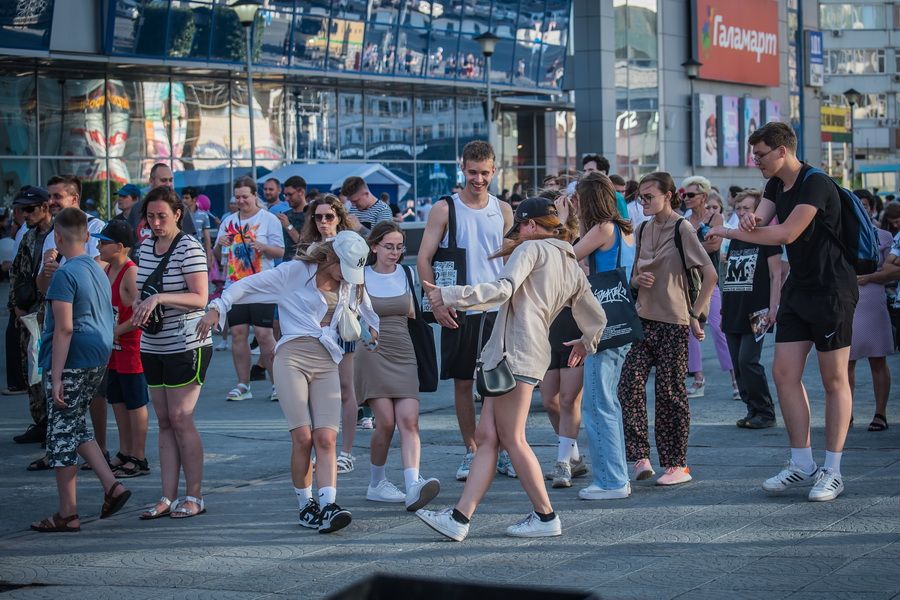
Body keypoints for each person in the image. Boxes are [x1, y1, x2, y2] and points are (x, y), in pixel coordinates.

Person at [415, 197, 606, 541]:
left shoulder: (531, 250)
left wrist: (449, 293)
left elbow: (502, 290)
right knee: (488, 437)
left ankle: (546, 516)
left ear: (531, 225)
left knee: (513, 439)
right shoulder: (569, 260)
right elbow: (595, 312)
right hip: (528, 352)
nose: (517, 233)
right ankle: (459, 518)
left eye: (519, 226)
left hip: (514, 351)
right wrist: (586, 340)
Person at [707, 122, 858, 502]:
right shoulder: (776, 185)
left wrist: (729, 231)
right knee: (784, 372)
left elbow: (786, 233)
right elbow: (762, 220)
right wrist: (749, 220)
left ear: (782, 151)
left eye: (759, 155)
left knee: (833, 379)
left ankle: (833, 470)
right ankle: (802, 462)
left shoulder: (815, 183)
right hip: (799, 289)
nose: (755, 162)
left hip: (832, 290)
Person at [197, 233, 375, 533]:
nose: (349, 276)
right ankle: (306, 505)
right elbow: (246, 285)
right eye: (344, 267)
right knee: (303, 437)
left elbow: (367, 308)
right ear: (329, 257)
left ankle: (329, 504)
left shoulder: (351, 281)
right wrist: (218, 306)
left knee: (327, 438)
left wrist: (374, 330)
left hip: (327, 359)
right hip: (291, 356)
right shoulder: (295, 273)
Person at [417, 140, 513, 482]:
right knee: (462, 382)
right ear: (463, 169)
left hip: (496, 306)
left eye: (485, 173)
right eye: (473, 173)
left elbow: (512, 260)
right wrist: (436, 302)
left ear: (494, 171)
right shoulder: (446, 209)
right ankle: (472, 450)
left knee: (498, 383)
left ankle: (499, 450)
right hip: (459, 306)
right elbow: (424, 259)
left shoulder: (502, 210)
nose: (478, 179)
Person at [30, 207, 131, 532]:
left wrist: (56, 376)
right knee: (75, 424)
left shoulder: (66, 273)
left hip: (72, 359)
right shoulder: (95, 268)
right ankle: (112, 486)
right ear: (87, 236)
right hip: (97, 356)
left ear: (57, 238)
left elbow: (64, 328)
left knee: (60, 433)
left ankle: (67, 513)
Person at [618, 172, 718, 486]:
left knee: (670, 393)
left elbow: (710, 275)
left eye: (649, 196)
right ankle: (639, 456)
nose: (643, 202)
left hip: (673, 322)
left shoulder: (682, 228)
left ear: (668, 195)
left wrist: (694, 314)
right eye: (640, 197)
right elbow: (634, 275)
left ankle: (677, 464)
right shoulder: (643, 227)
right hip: (643, 318)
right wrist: (638, 281)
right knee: (628, 384)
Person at [132, 186, 212, 520]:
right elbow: (140, 294)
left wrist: (160, 298)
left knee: (181, 418)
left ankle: (194, 495)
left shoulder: (189, 247)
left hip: (187, 343)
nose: (155, 222)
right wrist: (142, 303)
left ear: (178, 214)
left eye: (162, 215)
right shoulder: (145, 247)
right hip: (153, 343)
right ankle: (167, 495)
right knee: (164, 421)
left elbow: (201, 297)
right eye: (150, 216)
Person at [357, 222, 441, 510]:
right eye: (389, 246)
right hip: (372, 350)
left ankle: (412, 485)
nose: (395, 252)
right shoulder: (361, 276)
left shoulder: (407, 273)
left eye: (399, 247)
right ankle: (376, 482)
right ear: (374, 247)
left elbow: (414, 313)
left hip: (404, 348)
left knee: (409, 420)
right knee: (386, 422)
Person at [569, 172, 635, 500]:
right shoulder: (624, 230)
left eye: (578, 200)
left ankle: (612, 480)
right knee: (605, 400)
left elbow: (567, 257)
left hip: (602, 322)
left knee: (597, 402)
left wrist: (569, 223)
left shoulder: (601, 229)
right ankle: (615, 475)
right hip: (622, 318)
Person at [299, 194, 366, 472]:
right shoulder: (308, 249)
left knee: (345, 389)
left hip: (341, 324)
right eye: (318, 217)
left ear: (339, 217)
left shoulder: (349, 244)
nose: (324, 221)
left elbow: (361, 286)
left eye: (329, 216)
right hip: (314, 329)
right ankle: (322, 450)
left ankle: (346, 452)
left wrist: (368, 319)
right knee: (317, 392)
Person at [214, 176, 284, 402]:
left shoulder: (268, 219)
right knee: (238, 334)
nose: (242, 201)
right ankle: (243, 384)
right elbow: (217, 257)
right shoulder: (228, 221)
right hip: (235, 286)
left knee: (265, 335)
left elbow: (280, 252)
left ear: (255, 195)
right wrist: (219, 244)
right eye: (238, 197)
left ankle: (278, 385)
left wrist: (264, 247)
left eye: (246, 196)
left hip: (263, 286)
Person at [535, 189, 586, 488]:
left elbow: (569, 262)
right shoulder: (535, 247)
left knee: (569, 398)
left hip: (573, 325)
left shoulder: (578, 243)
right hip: (547, 327)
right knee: (550, 400)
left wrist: (566, 223)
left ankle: (563, 462)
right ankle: (574, 454)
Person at [719, 189, 782, 429]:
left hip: (757, 310)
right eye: (739, 208)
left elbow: (777, 275)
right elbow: (730, 274)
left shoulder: (767, 236)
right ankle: (751, 410)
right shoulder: (735, 237)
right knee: (737, 363)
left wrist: (773, 307)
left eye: (747, 208)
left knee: (748, 360)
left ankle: (765, 411)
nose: (742, 212)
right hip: (733, 306)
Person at [93, 220, 150, 477]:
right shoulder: (107, 270)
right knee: (117, 400)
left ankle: (139, 456)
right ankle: (125, 451)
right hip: (113, 350)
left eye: (103, 242)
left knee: (135, 403)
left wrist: (114, 331)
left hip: (131, 349)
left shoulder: (131, 272)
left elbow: (142, 314)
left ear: (118, 246)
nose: (98, 246)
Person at [680, 176, 738, 400]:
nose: (686, 198)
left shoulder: (716, 216)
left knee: (718, 328)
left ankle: (736, 379)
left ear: (703, 196)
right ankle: (698, 379)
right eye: (684, 194)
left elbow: (714, 244)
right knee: (691, 330)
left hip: (709, 279)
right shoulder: (684, 219)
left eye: (691, 195)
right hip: (689, 281)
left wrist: (688, 249)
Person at [10, 187, 54, 448]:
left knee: (49, 368)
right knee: (32, 368)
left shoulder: (59, 235)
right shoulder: (27, 237)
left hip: (50, 312)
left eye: (29, 209)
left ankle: (53, 425)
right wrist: (15, 305)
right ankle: (40, 422)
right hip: (28, 313)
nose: (24, 214)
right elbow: (16, 272)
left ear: (44, 207)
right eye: (21, 210)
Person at [848, 223, 895, 432]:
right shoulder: (842, 232)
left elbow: (893, 271)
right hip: (846, 300)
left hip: (874, 301)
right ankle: (845, 412)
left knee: (878, 358)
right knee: (845, 361)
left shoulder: (884, 236)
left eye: (865, 206)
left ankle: (880, 413)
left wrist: (869, 278)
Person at [127, 164, 196, 253]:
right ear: (151, 181)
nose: (168, 184)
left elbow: (188, 245)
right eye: (163, 180)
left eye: (170, 180)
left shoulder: (181, 209)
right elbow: (129, 243)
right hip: (140, 263)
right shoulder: (137, 208)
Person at [276, 175, 308, 263]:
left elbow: (304, 244)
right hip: (285, 267)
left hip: (304, 266)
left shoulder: (312, 214)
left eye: (289, 194)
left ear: (301, 192)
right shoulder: (286, 215)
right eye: (285, 195)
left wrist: (288, 226)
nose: (286, 199)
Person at [181, 187, 212, 265]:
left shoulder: (204, 215)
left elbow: (207, 238)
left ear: (194, 199)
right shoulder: (179, 215)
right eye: (183, 198)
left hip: (198, 251)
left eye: (187, 198)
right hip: (182, 252)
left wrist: (209, 257)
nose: (184, 200)